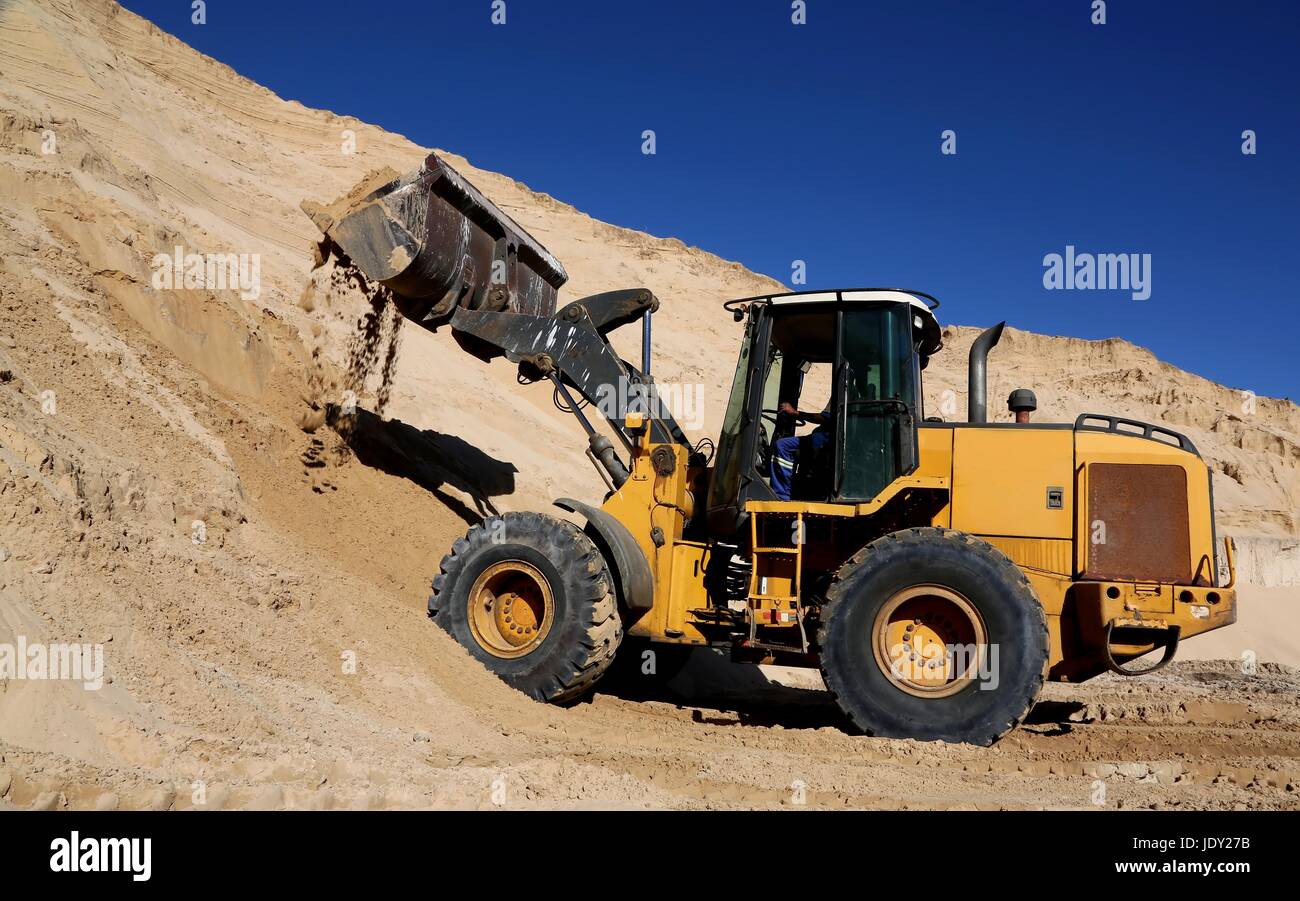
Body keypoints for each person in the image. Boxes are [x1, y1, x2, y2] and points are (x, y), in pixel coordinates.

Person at [769, 400, 832, 501]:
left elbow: (823, 418)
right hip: (819, 440)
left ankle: (782, 496)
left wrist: (795, 413)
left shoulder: (846, 390)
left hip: (822, 441)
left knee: (782, 446)